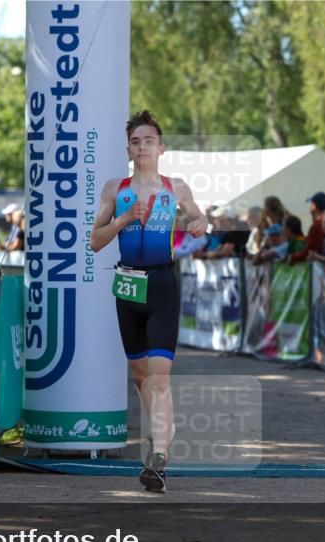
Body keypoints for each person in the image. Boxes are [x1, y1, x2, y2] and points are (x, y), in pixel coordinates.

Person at [89, 110, 207, 493]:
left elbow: (196, 215)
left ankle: (158, 458)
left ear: (161, 147)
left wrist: (198, 221)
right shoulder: (114, 189)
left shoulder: (176, 187)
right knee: (140, 376)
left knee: (158, 376)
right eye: (136, 142)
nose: (143, 147)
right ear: (128, 149)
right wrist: (123, 220)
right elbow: (95, 241)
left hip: (161, 284)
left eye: (149, 141)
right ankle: (163, 428)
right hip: (127, 285)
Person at [290, 192, 325, 263]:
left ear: (314, 206)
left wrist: (293, 257)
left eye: (311, 204)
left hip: (319, 265)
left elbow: (311, 249)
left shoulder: (318, 223)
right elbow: (310, 240)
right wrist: (299, 238)